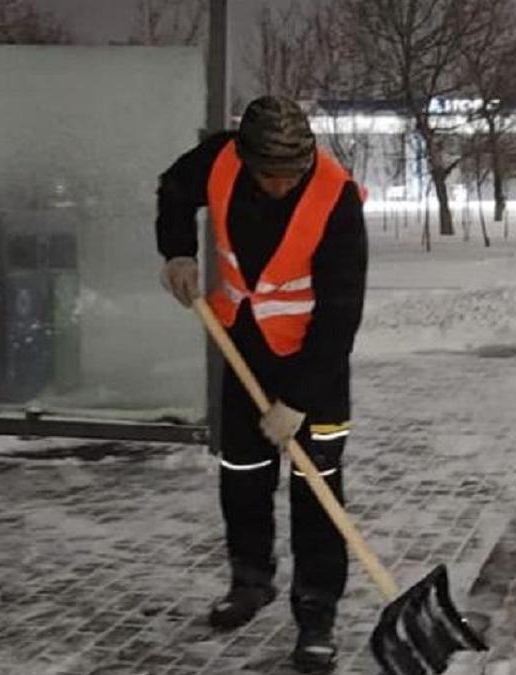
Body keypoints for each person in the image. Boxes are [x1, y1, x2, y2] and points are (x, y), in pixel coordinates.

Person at [156, 95, 367, 673]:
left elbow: (341, 313)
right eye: (268, 176)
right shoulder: (221, 159)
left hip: (315, 364)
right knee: (243, 474)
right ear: (245, 158)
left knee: (317, 486)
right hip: (245, 346)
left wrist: (297, 402)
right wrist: (175, 250)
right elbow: (173, 188)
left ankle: (317, 612)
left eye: (289, 175)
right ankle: (251, 580)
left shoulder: (336, 199)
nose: (279, 186)